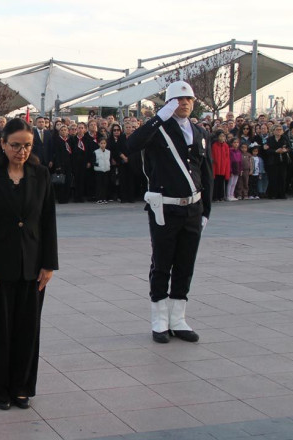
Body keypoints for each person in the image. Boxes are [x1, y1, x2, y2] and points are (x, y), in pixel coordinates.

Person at [0, 118, 58, 410]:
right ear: (3, 144)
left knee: (27, 331)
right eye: (16, 145)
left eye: (27, 146)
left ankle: (22, 387)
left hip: (33, 267)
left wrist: (49, 264)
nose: (21, 151)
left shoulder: (41, 175)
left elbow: (48, 222)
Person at [124, 80, 212, 344]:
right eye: (177, 100)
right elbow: (131, 145)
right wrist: (157, 119)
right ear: (169, 104)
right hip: (164, 208)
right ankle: (160, 320)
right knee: (162, 264)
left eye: (188, 100)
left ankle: (178, 319)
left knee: (185, 264)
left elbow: (205, 172)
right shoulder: (157, 131)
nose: (184, 104)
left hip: (192, 208)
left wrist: (206, 209)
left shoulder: (199, 132)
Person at [93, 137, 111, 203]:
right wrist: (98, 164)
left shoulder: (108, 152)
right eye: (101, 143)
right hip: (99, 171)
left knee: (105, 185)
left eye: (104, 143)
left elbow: (109, 160)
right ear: (99, 144)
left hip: (106, 170)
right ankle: (99, 198)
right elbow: (93, 161)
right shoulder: (96, 152)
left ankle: (104, 198)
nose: (103, 145)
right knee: (99, 185)